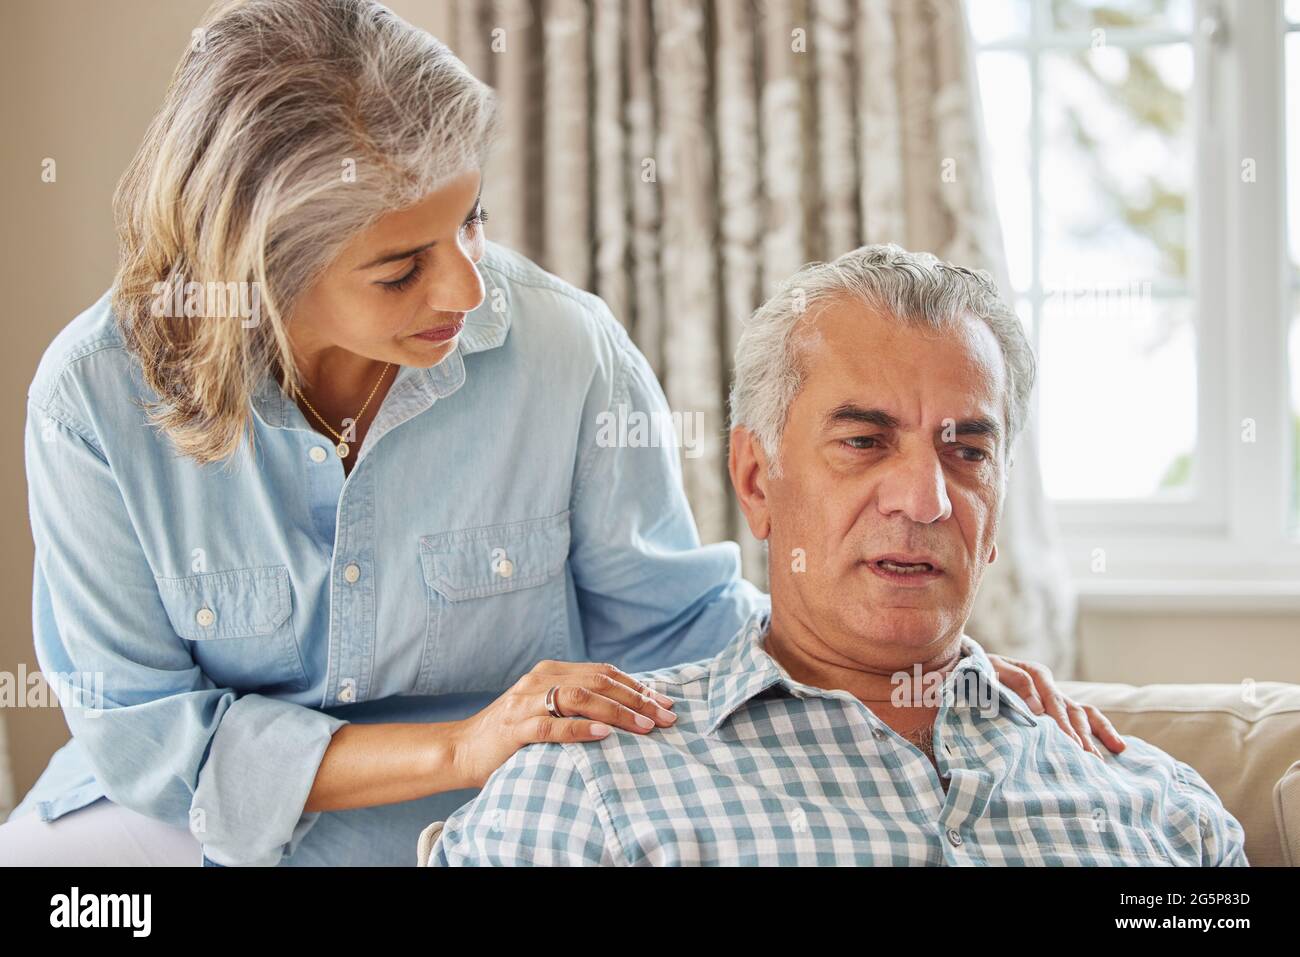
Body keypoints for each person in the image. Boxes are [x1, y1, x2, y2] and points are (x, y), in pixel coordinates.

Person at [0, 0, 1116, 867]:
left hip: (477, 828)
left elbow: (678, 627)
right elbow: (150, 741)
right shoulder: (93, 401)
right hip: (183, 831)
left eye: (471, 220)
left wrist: (926, 677)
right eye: (401, 265)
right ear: (261, 267)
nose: (464, 282)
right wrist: (460, 740)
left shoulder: (561, 351)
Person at [427, 244, 1246, 866]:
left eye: (966, 452)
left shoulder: (1163, 811)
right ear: (756, 480)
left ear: (998, 514)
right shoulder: (589, 793)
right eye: (863, 441)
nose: (923, 500)